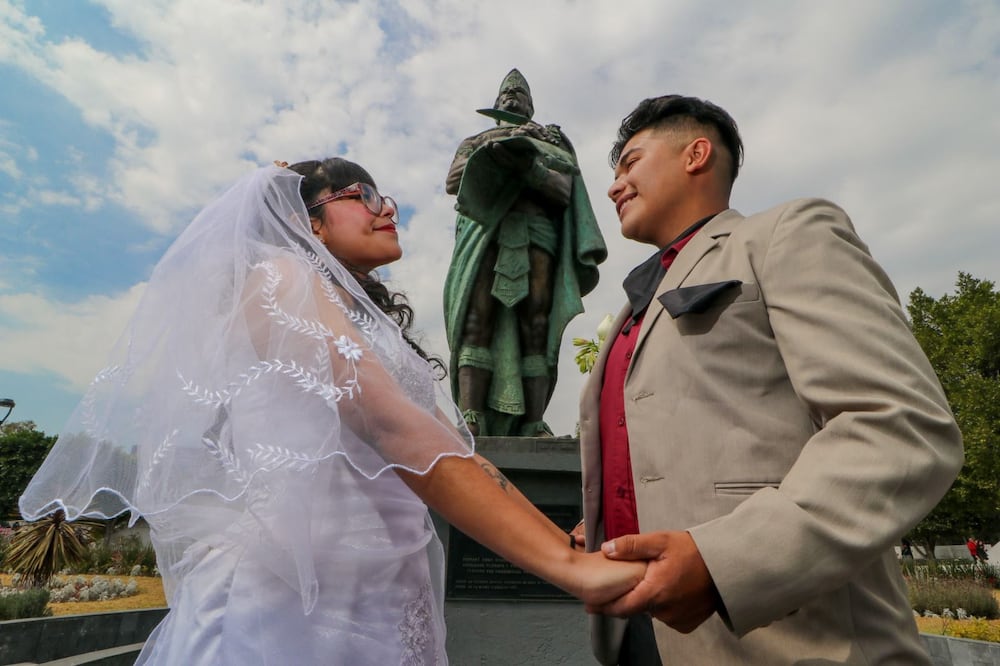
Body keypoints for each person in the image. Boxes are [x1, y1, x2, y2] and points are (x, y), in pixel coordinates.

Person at [19, 159, 643, 665]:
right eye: (362, 193)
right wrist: (567, 569)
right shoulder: (277, 277)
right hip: (293, 610)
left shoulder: (359, 315)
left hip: (378, 592)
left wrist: (559, 537)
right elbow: (387, 423)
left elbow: (454, 448)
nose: (386, 207)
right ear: (306, 221)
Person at [577, 95, 964, 664]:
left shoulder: (787, 232)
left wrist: (720, 561)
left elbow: (900, 426)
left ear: (696, 153)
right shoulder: (634, 306)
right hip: (637, 638)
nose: (614, 186)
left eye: (630, 162)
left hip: (790, 641)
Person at [443, 68, 606, 436]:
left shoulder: (552, 141)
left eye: (521, 97)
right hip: (485, 233)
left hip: (538, 236)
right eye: (506, 97)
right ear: (497, 105)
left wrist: (529, 165)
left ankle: (533, 421)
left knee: (537, 325)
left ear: (532, 107)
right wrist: (495, 153)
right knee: (476, 319)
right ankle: (472, 417)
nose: (513, 99)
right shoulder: (478, 138)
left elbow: (564, 192)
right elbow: (454, 182)